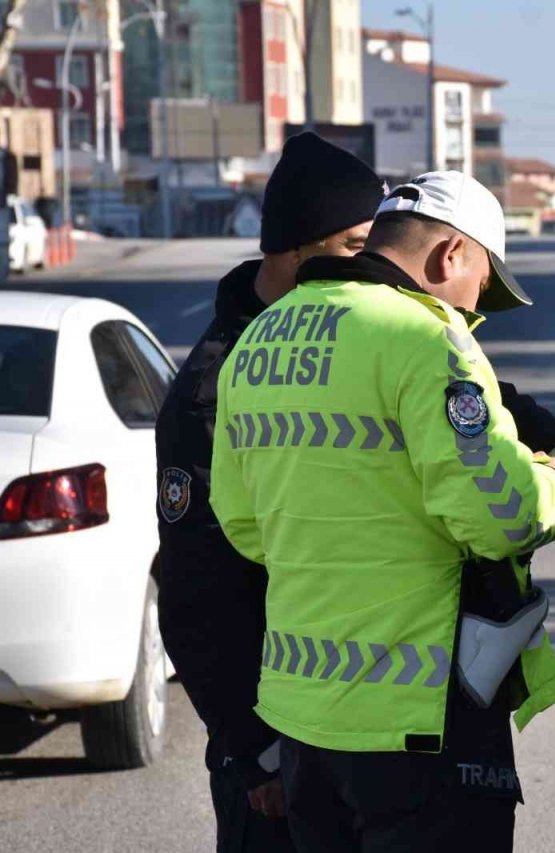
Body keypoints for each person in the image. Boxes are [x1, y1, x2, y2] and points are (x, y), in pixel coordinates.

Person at [209, 171, 555, 851]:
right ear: (451, 255)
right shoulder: (427, 338)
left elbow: (242, 524)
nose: (473, 310)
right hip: (417, 723)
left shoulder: (257, 342)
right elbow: (502, 515)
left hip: (305, 724)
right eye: (481, 287)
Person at [155, 131, 386, 852]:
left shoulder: (354, 335)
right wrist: (253, 745)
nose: (372, 265)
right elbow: (195, 586)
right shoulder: (212, 387)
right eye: (354, 246)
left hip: (355, 723)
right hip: (271, 751)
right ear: (294, 250)